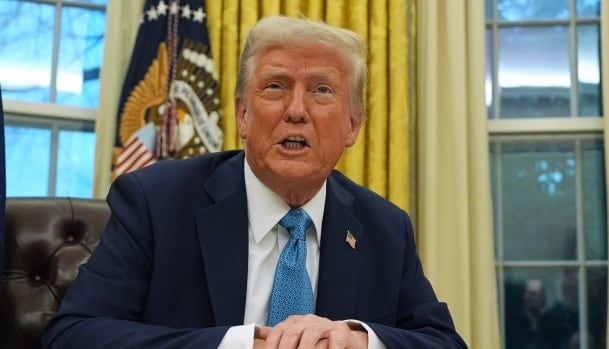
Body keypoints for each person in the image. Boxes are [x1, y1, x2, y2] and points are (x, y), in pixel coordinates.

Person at [43, 16, 466, 349]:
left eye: (321, 90)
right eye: (275, 87)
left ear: (353, 125)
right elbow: (73, 336)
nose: (296, 110)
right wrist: (241, 344)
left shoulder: (384, 228)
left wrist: (361, 340)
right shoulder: (156, 202)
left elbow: (444, 342)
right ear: (242, 115)